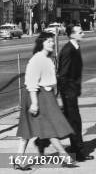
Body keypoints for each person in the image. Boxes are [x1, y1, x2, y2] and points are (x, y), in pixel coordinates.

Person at [16, 32, 75, 170]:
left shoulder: (47, 59)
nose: (52, 43)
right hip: (36, 96)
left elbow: (50, 81)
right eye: (48, 41)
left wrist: (54, 97)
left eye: (52, 41)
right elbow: (31, 82)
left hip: (46, 96)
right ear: (41, 43)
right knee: (30, 129)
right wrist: (35, 103)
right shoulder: (37, 59)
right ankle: (64, 156)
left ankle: (63, 156)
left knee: (47, 128)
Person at [57, 24, 94, 163]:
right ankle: (79, 152)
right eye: (80, 32)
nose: (83, 34)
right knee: (75, 121)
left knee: (71, 120)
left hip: (71, 90)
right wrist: (66, 93)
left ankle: (74, 147)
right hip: (68, 91)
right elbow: (63, 73)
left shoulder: (75, 47)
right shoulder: (68, 50)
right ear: (72, 35)